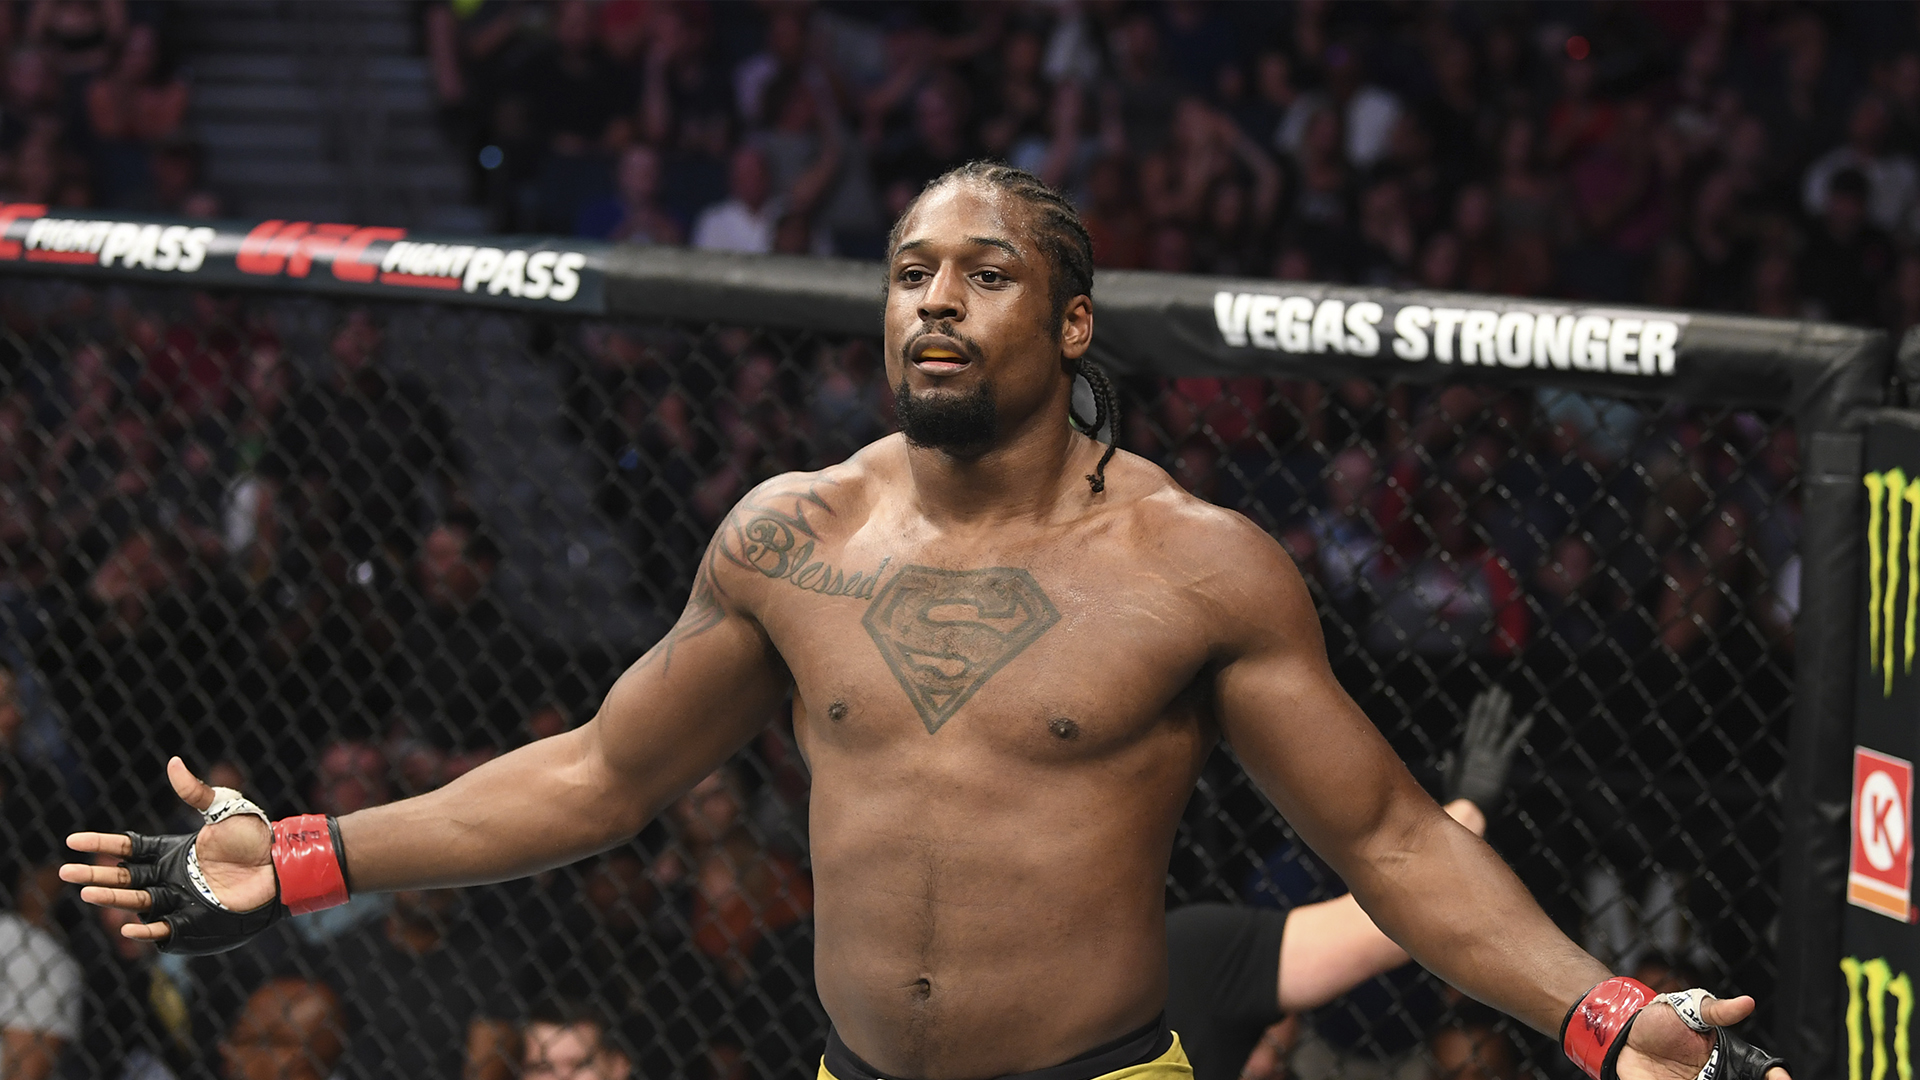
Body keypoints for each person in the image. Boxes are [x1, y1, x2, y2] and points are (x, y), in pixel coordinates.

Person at [64, 162, 1786, 1080]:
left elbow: (1396, 841)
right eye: (907, 272)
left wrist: (1591, 1011)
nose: (934, 303)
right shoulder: (789, 536)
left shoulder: (1197, 566)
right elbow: (596, 776)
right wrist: (297, 859)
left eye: (982, 272)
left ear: (1078, 318)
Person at [1165, 688, 1527, 1080]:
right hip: (1320, 1037)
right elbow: (1278, 981)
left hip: (1420, 1028)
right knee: (1259, 1057)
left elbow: (1450, 945)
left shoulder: (1394, 847)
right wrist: (1469, 811)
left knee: (1474, 1056)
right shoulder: (1280, 875)